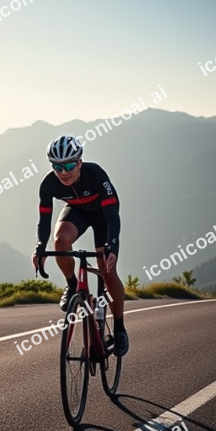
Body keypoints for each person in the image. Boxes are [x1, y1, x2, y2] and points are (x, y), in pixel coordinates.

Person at [32, 135, 128, 356]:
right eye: (57, 166)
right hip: (77, 212)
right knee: (60, 241)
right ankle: (72, 285)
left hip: (103, 216)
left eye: (69, 165)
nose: (64, 172)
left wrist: (112, 246)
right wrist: (40, 248)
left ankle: (120, 329)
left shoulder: (96, 175)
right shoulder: (48, 184)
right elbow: (44, 220)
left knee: (109, 272)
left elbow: (113, 217)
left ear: (79, 162)